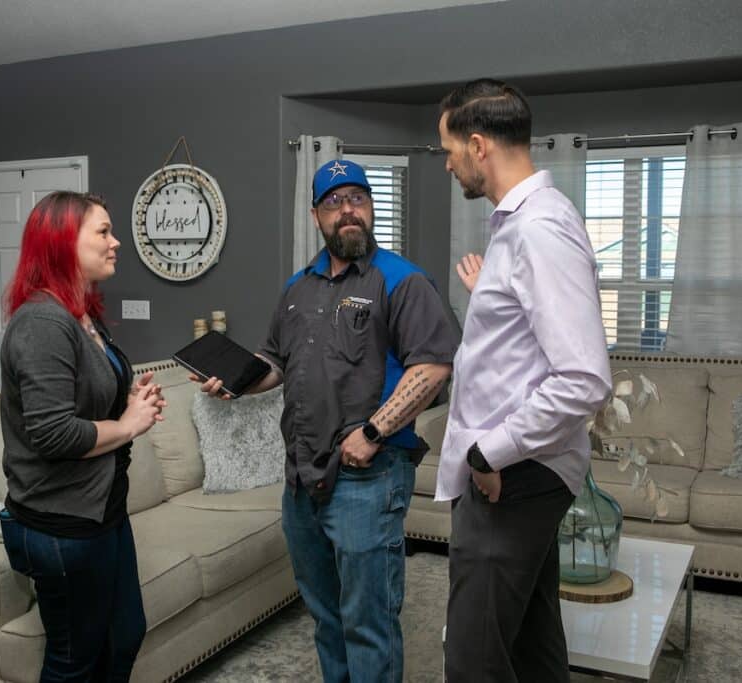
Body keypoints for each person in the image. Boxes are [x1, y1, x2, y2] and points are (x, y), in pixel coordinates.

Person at [194, 159, 459, 682]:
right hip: (301, 478)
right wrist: (236, 382)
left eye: (358, 198)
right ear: (317, 216)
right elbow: (274, 363)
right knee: (326, 618)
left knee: (369, 622)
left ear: (371, 208)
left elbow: (432, 368)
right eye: (335, 202)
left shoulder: (402, 281)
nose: (348, 210)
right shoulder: (298, 288)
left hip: (368, 476)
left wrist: (374, 431)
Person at [435, 80, 613, 682]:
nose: (449, 162)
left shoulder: (539, 228)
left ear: (479, 145)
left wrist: (490, 450)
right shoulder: (519, 225)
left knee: (474, 663)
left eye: (450, 149)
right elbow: (523, 346)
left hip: (513, 477)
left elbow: (584, 378)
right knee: (531, 650)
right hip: (519, 474)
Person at [0, 191, 165, 683]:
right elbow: (52, 433)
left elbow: (86, 397)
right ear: (62, 242)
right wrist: (131, 423)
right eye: (104, 232)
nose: (116, 243)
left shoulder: (82, 312)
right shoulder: (42, 323)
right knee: (75, 660)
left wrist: (132, 398)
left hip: (103, 512)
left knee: (124, 635)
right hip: (61, 524)